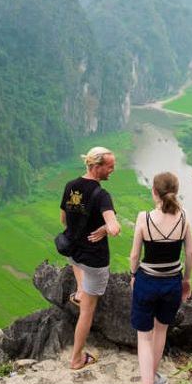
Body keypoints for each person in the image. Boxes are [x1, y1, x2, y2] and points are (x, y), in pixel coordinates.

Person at [126, 172, 192, 384]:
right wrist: (187, 280)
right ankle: (153, 379)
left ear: (154, 191)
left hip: (147, 281)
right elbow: (190, 253)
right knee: (161, 332)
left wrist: (133, 274)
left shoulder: (144, 218)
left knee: (144, 337)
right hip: (172, 282)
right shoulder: (184, 217)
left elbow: (134, 255)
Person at [60, 146, 121, 370]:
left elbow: (64, 219)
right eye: (110, 167)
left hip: (74, 253)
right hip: (94, 259)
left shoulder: (70, 186)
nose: (113, 170)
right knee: (87, 311)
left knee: (78, 269)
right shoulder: (102, 195)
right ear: (96, 167)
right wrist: (107, 227)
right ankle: (77, 358)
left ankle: (80, 291)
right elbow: (114, 228)